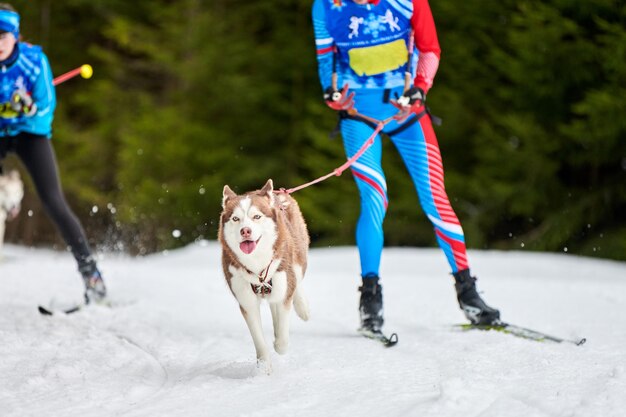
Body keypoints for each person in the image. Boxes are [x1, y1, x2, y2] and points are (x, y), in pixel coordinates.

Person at [311, 0, 500, 333]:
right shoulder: (326, 6)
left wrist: (420, 89)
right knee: (374, 198)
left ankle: (468, 292)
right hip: (358, 117)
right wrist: (332, 95)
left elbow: (430, 49)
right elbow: (326, 59)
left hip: (407, 115)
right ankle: (370, 298)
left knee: (434, 197)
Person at [0, 4, 106, 304]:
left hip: (30, 134)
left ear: (15, 36)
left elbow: (47, 109)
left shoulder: (34, 61)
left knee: (52, 200)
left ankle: (92, 274)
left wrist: (28, 109)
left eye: (2, 35)